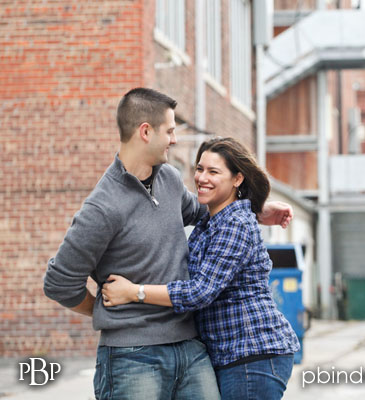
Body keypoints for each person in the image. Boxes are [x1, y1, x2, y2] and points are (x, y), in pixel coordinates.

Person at [43, 88, 293, 400]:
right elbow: (58, 283)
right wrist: (104, 307)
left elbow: (208, 210)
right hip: (133, 355)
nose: (175, 140)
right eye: (171, 131)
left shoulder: (170, 180)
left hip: (192, 349)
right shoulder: (102, 208)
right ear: (146, 132)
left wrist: (258, 210)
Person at [101, 137, 300, 400]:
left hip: (253, 355)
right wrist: (260, 210)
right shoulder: (214, 219)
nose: (202, 178)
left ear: (237, 179)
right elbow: (197, 211)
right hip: (232, 355)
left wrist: (133, 292)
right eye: (199, 168)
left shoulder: (235, 224)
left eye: (213, 171)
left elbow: (200, 292)